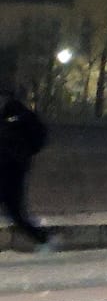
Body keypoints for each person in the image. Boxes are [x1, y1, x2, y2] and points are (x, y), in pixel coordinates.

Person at [0, 87, 55, 252]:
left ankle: (43, 238)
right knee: (15, 213)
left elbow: (38, 136)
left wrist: (22, 155)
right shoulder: (9, 116)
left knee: (16, 212)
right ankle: (43, 238)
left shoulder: (18, 115)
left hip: (12, 170)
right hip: (10, 168)